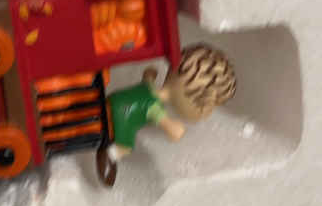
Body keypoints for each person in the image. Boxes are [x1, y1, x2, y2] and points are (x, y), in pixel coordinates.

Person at [97, 43, 237, 187]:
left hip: (115, 98)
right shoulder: (155, 106)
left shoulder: (151, 89)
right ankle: (109, 155)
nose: (208, 114)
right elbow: (166, 123)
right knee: (125, 147)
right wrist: (172, 127)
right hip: (122, 113)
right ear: (193, 100)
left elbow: (147, 81)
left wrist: (149, 75)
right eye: (207, 107)